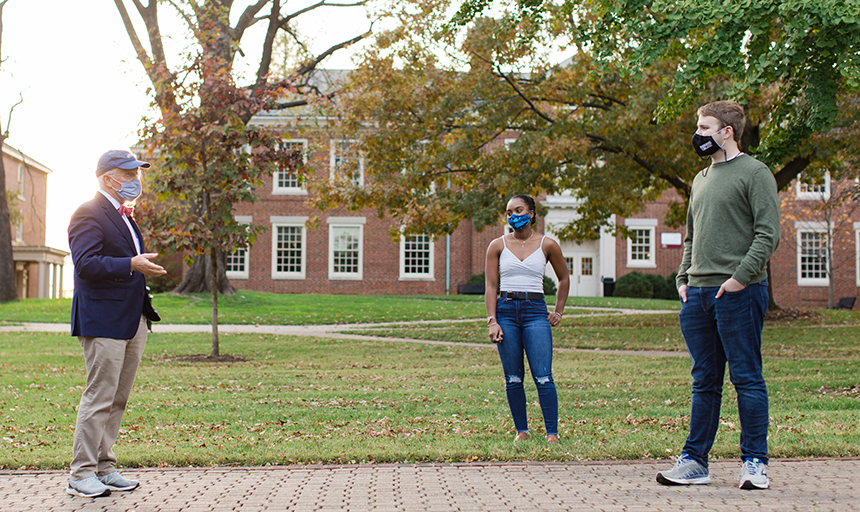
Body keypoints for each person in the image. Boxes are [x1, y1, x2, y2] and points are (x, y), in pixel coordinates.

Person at [656, 101, 780, 490]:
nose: (699, 134)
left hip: (738, 293)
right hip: (698, 295)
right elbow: (692, 235)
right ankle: (695, 462)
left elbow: (767, 234)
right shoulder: (700, 179)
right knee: (704, 381)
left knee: (747, 378)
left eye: (706, 127)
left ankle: (755, 462)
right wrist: (682, 278)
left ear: (727, 131)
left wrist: (740, 279)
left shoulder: (756, 173)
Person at [66, 150, 166, 498]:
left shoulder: (124, 215)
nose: (136, 180)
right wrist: (131, 264)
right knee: (100, 396)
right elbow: (86, 264)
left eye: (138, 172)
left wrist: (138, 269)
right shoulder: (88, 212)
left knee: (118, 398)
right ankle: (81, 474)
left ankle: (104, 467)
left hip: (132, 318)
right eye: (128, 174)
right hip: (103, 319)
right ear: (108, 178)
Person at [484, 194, 570, 444]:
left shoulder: (548, 244)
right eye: (509, 212)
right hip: (506, 310)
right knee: (513, 377)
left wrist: (558, 311)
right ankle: (522, 430)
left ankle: (552, 432)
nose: (513, 216)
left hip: (535, 312)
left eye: (518, 210)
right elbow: (490, 285)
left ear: (531, 213)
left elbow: (564, 278)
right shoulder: (497, 245)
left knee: (543, 375)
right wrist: (492, 320)